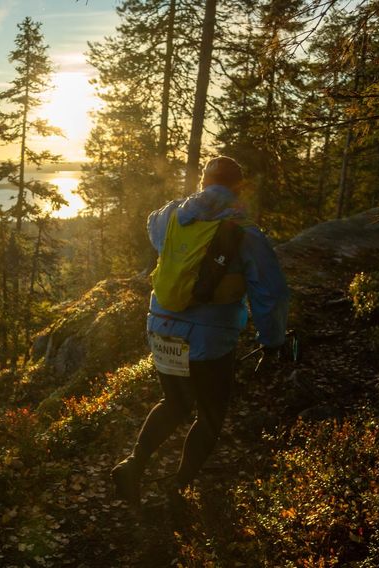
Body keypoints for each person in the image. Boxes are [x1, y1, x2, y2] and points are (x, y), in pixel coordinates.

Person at [111, 156, 289, 512]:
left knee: (175, 403)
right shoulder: (245, 232)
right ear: (238, 187)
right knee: (210, 415)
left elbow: (151, 225)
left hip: (161, 329)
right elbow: (270, 294)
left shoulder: (174, 215)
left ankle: (133, 465)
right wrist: (272, 342)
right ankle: (178, 489)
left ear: (205, 183)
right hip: (207, 341)